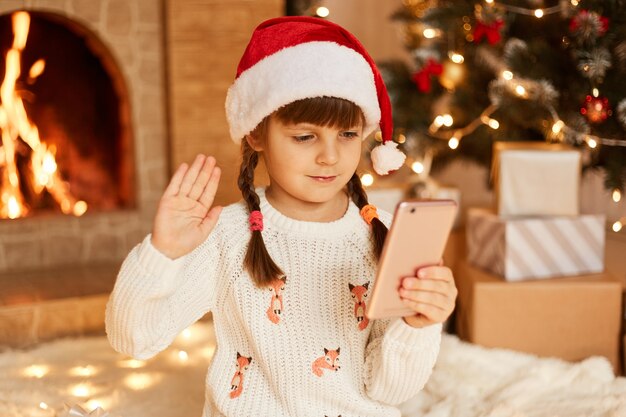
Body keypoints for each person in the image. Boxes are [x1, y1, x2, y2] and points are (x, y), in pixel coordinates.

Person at [105, 16, 457, 417]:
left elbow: (389, 391)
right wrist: (161, 253)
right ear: (256, 133)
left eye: (347, 135)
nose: (329, 156)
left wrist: (418, 324)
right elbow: (131, 339)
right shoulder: (227, 236)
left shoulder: (385, 232)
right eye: (305, 137)